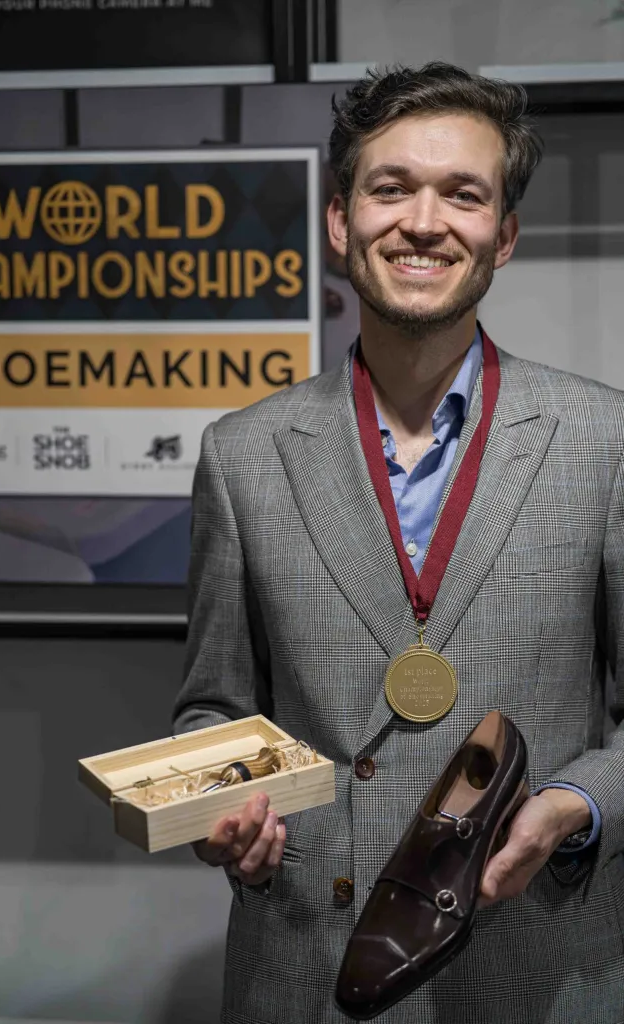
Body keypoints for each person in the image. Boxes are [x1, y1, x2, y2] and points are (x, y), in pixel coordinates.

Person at [172, 62, 624, 1023]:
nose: (423, 222)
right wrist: (223, 809)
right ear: (340, 221)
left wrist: (574, 806)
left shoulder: (605, 441)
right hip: (306, 967)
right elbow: (215, 707)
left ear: (503, 235)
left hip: (531, 968)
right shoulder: (242, 454)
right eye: (391, 189)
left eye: (462, 194)